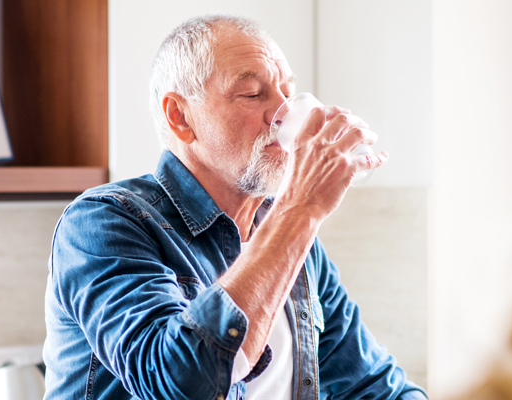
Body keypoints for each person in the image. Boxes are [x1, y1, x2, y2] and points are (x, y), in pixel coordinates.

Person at [43, 14, 428, 400]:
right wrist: (298, 209)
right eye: (252, 94)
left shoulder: (295, 240)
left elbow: (372, 385)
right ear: (181, 118)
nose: (284, 114)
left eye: (287, 93)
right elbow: (178, 385)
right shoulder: (102, 223)